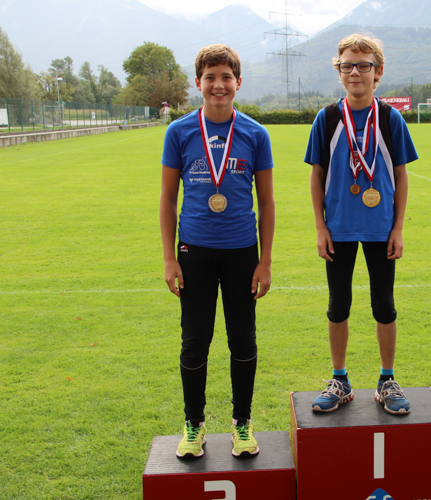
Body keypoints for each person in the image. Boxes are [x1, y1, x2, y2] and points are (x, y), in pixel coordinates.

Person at [160, 44, 275, 458]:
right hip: (194, 252)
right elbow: (167, 199)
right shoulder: (179, 132)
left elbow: (267, 203)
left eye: (226, 77)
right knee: (195, 340)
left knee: (243, 340)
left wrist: (264, 261)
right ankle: (194, 425)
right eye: (210, 77)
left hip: (242, 252)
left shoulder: (256, 134)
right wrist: (170, 258)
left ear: (238, 82)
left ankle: (242, 424)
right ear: (198, 82)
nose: (218, 85)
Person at [305, 33, 418, 415]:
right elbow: (316, 175)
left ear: (378, 72)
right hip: (338, 227)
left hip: (380, 228)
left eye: (363, 66)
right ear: (338, 71)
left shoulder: (390, 118)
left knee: (384, 304)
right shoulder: (327, 118)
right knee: (338, 304)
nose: (355, 72)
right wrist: (320, 227)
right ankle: (340, 379)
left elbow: (401, 175)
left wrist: (398, 228)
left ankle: (387, 380)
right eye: (347, 66)